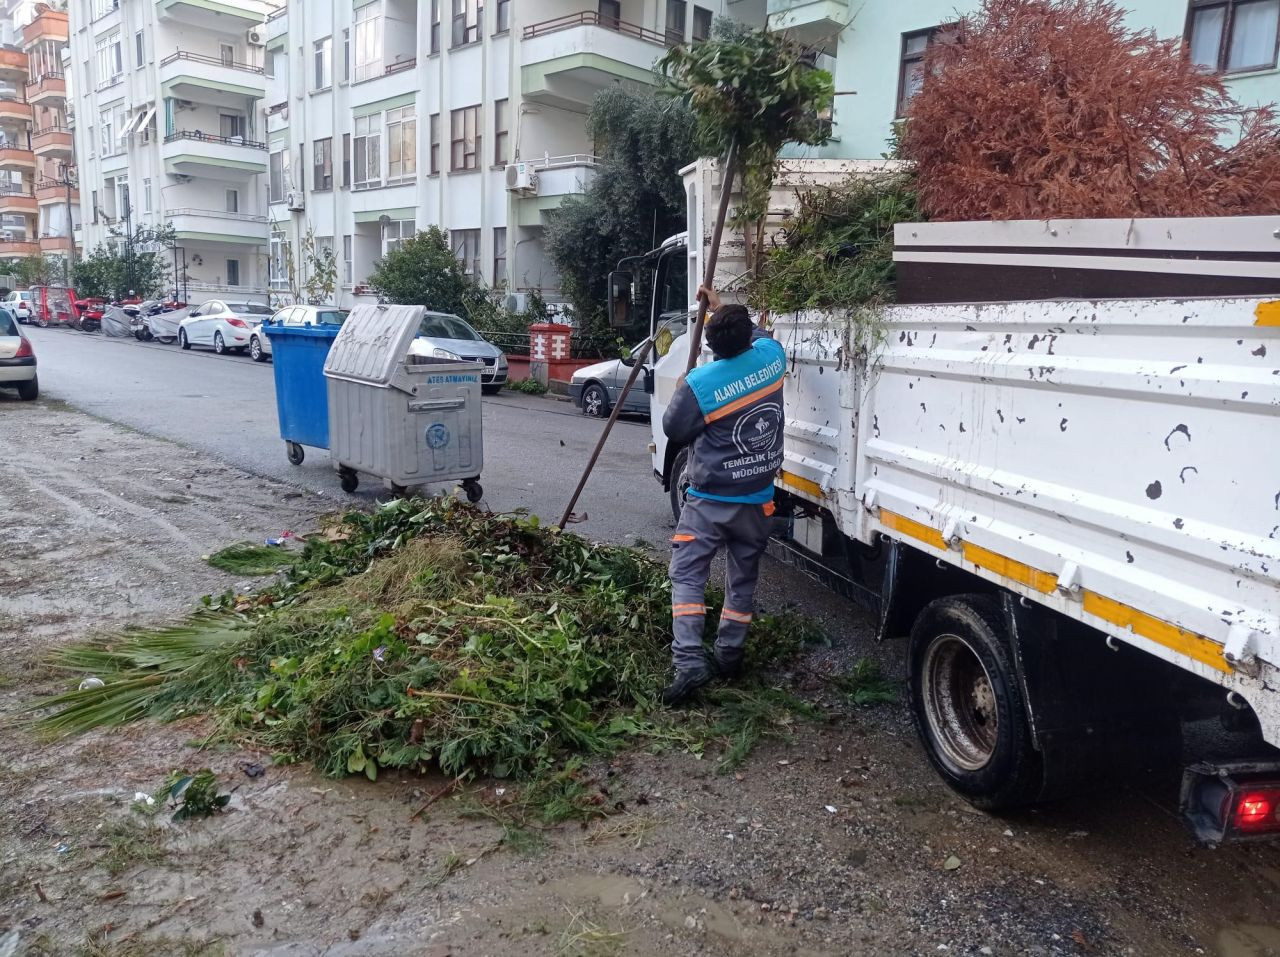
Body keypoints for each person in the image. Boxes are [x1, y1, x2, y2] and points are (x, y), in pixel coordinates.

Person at [660, 284, 786, 705]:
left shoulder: (700, 383)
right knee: (742, 579)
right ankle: (729, 655)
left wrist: (681, 386)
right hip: (758, 498)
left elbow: (675, 430)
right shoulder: (772, 358)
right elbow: (761, 335)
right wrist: (720, 309)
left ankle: (689, 661)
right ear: (748, 335)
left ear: (712, 347)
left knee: (687, 575)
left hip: (710, 502)